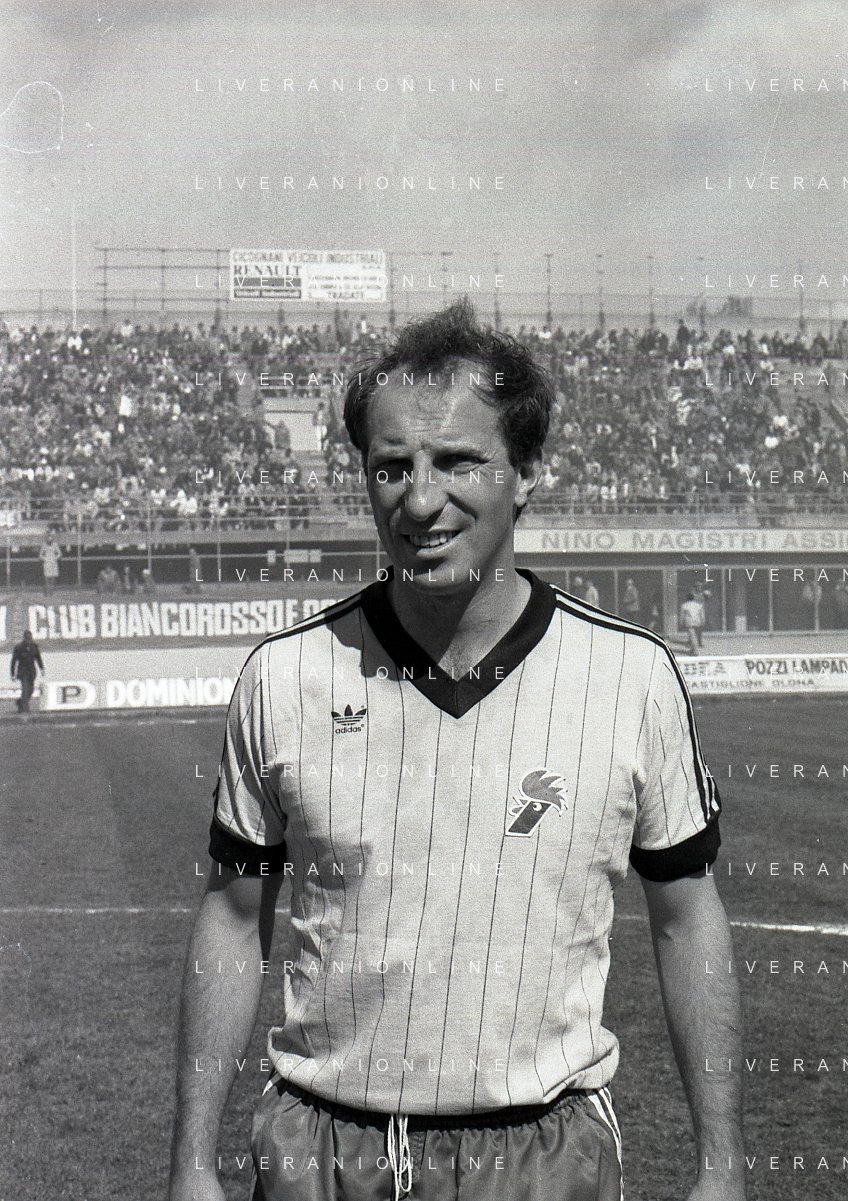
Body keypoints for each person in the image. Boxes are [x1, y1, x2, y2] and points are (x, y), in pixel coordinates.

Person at [169, 300, 744, 1201]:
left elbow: (686, 919)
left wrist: (722, 1164)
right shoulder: (283, 678)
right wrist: (191, 1161)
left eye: (458, 461)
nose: (420, 499)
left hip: (543, 1157)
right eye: (392, 466)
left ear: (527, 473)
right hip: (324, 1153)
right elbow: (235, 918)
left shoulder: (632, 678)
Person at [10, 629, 44, 713]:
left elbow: (38, 658)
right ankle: (25, 709)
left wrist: (42, 668)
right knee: (25, 689)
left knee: (31, 690)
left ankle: (20, 703)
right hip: (22, 670)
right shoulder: (19, 647)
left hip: (31, 670)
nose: (28, 640)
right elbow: (14, 661)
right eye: (27, 638)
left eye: (30, 638)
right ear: (24, 638)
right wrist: (13, 674)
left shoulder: (34, 646)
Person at [680, 590, 706, 655]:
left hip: (689, 622)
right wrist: (703, 621)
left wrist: (681, 622)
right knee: (695, 636)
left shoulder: (684, 605)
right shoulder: (699, 605)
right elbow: (702, 615)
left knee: (692, 636)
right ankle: (692, 649)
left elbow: (682, 615)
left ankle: (695, 651)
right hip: (698, 622)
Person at [38, 530, 61, 595]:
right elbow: (40, 555)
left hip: (53, 562)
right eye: (48, 537)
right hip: (47, 563)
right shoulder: (44, 545)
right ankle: (46, 591)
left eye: (51, 537)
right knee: (47, 577)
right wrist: (45, 559)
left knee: (53, 577)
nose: (50, 538)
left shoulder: (55, 544)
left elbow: (59, 554)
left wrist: (55, 558)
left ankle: (51, 591)